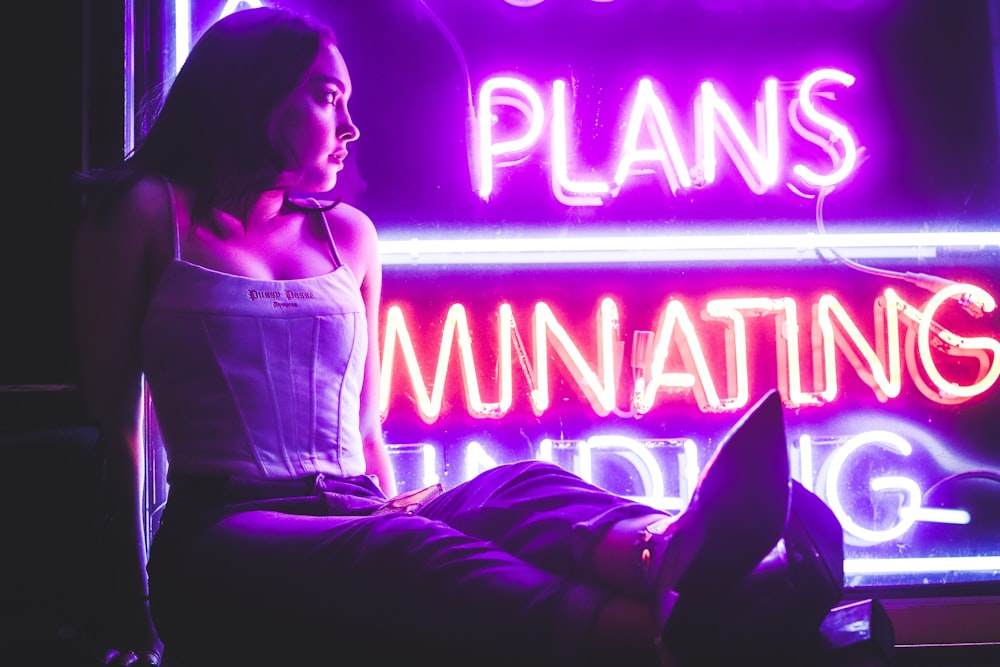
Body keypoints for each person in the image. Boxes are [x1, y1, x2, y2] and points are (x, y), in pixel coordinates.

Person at [72, 7, 842, 667]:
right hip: (228, 531)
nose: (349, 124)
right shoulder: (146, 215)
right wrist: (125, 601)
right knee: (407, 555)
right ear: (251, 97)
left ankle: (675, 551)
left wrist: (391, 502)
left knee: (516, 487)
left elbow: (366, 427)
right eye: (324, 96)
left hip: (354, 505)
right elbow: (115, 432)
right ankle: (682, 636)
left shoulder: (348, 236)